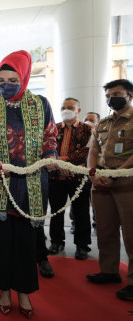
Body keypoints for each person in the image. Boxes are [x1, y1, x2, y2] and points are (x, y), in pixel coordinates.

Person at [0, 50, 58, 318]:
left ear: (23, 77)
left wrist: (50, 156)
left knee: (26, 241)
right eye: (1, 80)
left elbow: (50, 137)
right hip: (1, 183)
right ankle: (3, 291)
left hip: (32, 184)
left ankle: (23, 292)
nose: (6, 85)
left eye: (12, 79)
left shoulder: (41, 103)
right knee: (1, 241)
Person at [87, 79, 133, 301]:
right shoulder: (102, 123)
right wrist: (93, 173)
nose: (111, 98)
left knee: (132, 233)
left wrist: (117, 174)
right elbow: (93, 151)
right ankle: (109, 271)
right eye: (107, 95)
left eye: (116, 93)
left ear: (129, 95)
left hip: (127, 183)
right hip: (102, 182)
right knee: (105, 230)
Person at [47, 97, 92, 259]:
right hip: (56, 178)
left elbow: (87, 151)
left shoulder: (87, 130)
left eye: (70, 107)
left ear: (78, 110)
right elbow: (48, 148)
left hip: (78, 178)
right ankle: (56, 241)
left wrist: (65, 162)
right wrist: (57, 163)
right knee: (56, 212)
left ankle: (82, 246)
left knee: (81, 213)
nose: (66, 110)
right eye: (63, 107)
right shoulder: (53, 129)